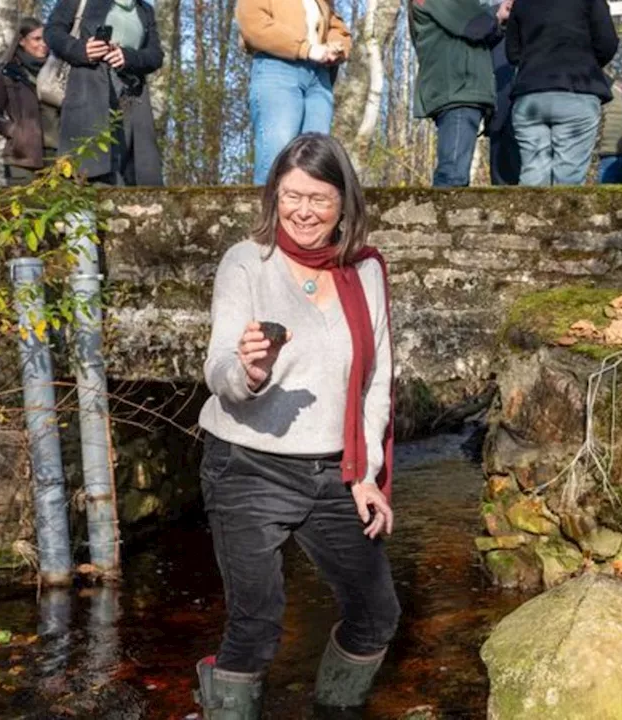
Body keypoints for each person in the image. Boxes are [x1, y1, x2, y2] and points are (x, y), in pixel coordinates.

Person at [193, 134, 398, 720]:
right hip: (247, 465)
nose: (304, 211)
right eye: (291, 196)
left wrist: (367, 476)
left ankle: (334, 711)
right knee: (257, 627)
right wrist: (251, 371)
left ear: (344, 202)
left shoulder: (366, 270)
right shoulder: (246, 261)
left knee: (377, 615)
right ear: (273, 196)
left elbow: (375, 380)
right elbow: (218, 371)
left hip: (337, 469)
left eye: (319, 198)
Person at [45, 0, 165, 186]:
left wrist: (129, 56)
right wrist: (80, 49)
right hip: (88, 90)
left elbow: (156, 55)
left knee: (133, 172)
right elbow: (52, 32)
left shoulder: (144, 9)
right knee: (89, 169)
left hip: (132, 94)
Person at [236, 0, 352, 185]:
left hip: (319, 77)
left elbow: (335, 26)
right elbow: (254, 25)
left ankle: (309, 212)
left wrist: (336, 47)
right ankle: (268, 212)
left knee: (316, 159)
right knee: (277, 155)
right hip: (277, 68)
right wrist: (306, 49)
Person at [506, 0, 619, 186]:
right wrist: (587, 64)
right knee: (569, 177)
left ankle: (529, 213)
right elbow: (607, 43)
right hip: (576, 87)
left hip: (531, 92)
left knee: (533, 173)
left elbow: (512, 52)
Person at [410, 0, 509, 187]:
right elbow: (477, 25)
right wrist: (496, 16)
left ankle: (444, 213)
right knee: (453, 175)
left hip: (460, 89)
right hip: (458, 89)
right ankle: (441, 215)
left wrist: (498, 20)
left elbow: (484, 31)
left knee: (455, 173)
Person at [0, 18, 60, 186]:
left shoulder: (58, 71)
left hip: (59, 155)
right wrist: (14, 131)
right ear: (22, 41)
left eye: (46, 39)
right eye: (37, 39)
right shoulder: (7, 72)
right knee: (26, 210)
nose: (43, 44)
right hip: (22, 158)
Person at [486, 0, 520, 185]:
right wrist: (498, 20)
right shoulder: (493, 14)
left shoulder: (543, 12)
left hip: (533, 107)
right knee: (501, 180)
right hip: (500, 107)